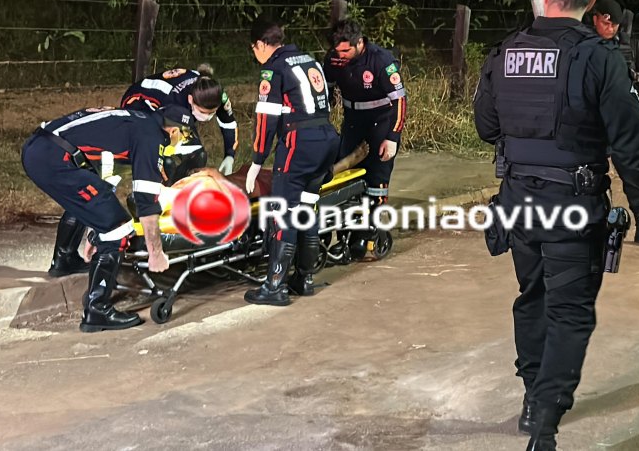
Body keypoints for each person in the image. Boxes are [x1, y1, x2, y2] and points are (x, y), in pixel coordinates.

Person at [473, 0, 639, 450]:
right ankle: (544, 428)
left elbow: (486, 127)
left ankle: (531, 398)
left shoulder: (505, 51)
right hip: (571, 205)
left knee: (533, 298)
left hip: (518, 203)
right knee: (569, 314)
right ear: (591, 2)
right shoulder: (599, 56)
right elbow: (630, 139)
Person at [43, 66, 236, 277]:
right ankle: (64, 256)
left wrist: (230, 154)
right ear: (190, 100)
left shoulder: (213, 92)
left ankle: (167, 206)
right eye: (203, 112)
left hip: (162, 108)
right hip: (139, 106)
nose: (207, 117)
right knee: (108, 178)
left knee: (195, 155)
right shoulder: (173, 103)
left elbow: (227, 121)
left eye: (211, 112)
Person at [22, 106, 178, 332]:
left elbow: (103, 186)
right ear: (173, 130)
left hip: (40, 148)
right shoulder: (150, 138)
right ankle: (97, 310)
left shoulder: (130, 121)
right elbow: (146, 203)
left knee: (97, 210)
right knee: (118, 229)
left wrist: (95, 233)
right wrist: (155, 253)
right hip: (55, 159)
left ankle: (64, 261)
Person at [243, 17, 340, 305]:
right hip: (327, 139)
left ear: (261, 44)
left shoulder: (273, 69)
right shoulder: (309, 60)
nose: (256, 55)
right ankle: (304, 279)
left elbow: (266, 119)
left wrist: (257, 161)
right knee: (306, 207)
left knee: (283, 211)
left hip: (300, 143)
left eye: (254, 49)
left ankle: (275, 286)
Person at [323, 19, 408, 259]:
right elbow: (324, 91)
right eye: (338, 51)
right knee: (346, 179)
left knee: (375, 179)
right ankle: (346, 235)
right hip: (352, 121)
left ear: (359, 42)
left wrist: (393, 137)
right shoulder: (334, 59)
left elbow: (400, 101)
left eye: (346, 51)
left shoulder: (381, 60)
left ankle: (372, 233)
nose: (341, 56)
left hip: (381, 122)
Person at [589, 0, 639, 249]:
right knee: (590, 175)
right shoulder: (586, 46)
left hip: (624, 122)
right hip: (594, 122)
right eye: (606, 23)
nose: (610, 28)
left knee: (633, 174)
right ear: (595, 19)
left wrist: (638, 78)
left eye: (614, 24)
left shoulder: (631, 46)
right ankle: (595, 226)